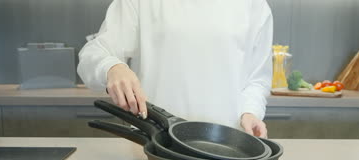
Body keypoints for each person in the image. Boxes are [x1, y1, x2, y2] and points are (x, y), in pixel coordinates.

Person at [78, 0, 273, 138]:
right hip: (153, 141)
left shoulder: (255, 5)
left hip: (227, 145)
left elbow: (257, 79)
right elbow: (93, 53)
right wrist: (112, 67)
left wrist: (251, 111)